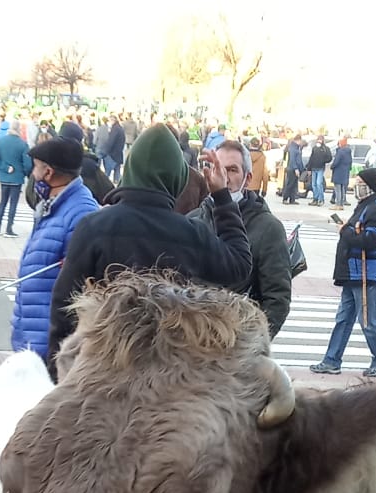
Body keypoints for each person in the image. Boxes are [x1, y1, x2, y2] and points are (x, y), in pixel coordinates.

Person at [45, 124, 252, 359]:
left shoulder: (94, 227)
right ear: (178, 177)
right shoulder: (191, 233)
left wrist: (58, 372)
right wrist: (222, 196)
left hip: (103, 369)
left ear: (131, 168)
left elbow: (63, 306)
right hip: (166, 374)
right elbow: (240, 266)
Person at [10, 133, 99, 366]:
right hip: (32, 336)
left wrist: (55, 344)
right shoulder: (51, 207)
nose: (33, 174)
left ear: (48, 173)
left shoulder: (80, 212)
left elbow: (80, 283)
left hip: (51, 344)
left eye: (36, 168)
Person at [189, 139, 292, 338]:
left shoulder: (268, 228)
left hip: (237, 347)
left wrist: (248, 347)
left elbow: (277, 300)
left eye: (232, 169)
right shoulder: (192, 220)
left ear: (248, 178)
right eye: (216, 167)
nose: (223, 176)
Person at [309, 164, 376, 376]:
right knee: (344, 319)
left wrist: (345, 232)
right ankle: (331, 360)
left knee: (368, 321)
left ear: (371, 187)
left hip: (365, 274)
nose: (358, 187)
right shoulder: (365, 206)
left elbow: (373, 240)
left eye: (361, 184)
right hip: (353, 274)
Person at [0, 120, 32, 236]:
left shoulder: (1, 142)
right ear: (19, 130)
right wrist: (23, 173)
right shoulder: (23, 144)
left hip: (4, 177)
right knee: (13, 204)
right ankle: (9, 229)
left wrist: (4, 167)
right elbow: (28, 164)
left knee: (2, 202)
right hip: (17, 178)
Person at [306, 136, 332, 206]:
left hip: (320, 168)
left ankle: (321, 199)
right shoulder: (314, 148)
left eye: (320, 140)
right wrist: (309, 168)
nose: (319, 141)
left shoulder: (325, 149)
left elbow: (329, 158)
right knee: (313, 184)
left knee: (318, 184)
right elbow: (311, 158)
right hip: (313, 168)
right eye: (318, 140)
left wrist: (323, 160)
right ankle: (315, 199)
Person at [98, 113, 125, 180]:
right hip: (118, 155)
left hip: (112, 155)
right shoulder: (120, 129)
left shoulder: (115, 129)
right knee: (117, 176)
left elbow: (111, 142)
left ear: (113, 120)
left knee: (107, 175)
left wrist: (105, 152)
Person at [282, 133, 305, 205]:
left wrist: (301, 168)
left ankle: (292, 199)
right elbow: (292, 159)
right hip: (292, 169)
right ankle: (285, 198)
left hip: (295, 168)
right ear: (298, 140)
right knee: (290, 184)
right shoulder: (292, 148)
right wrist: (296, 168)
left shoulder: (297, 147)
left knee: (294, 185)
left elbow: (298, 159)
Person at [331, 137, 353, 208]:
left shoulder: (340, 152)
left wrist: (332, 166)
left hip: (338, 172)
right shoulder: (348, 152)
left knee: (337, 189)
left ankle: (338, 204)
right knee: (342, 188)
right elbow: (350, 162)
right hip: (345, 172)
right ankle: (341, 203)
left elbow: (336, 162)